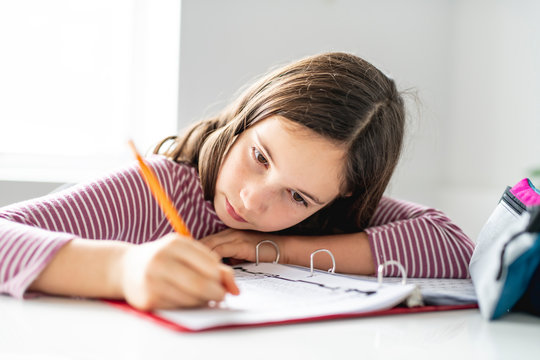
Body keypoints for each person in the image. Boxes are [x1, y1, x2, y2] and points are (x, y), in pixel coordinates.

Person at [0, 52, 474, 311]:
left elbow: (452, 248)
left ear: (336, 197)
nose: (251, 199)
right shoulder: (158, 190)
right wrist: (121, 270)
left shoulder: (327, 216)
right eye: (260, 156)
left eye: (296, 195)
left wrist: (270, 249)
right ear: (247, 117)